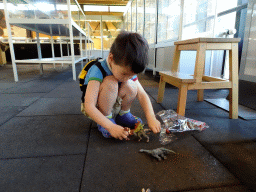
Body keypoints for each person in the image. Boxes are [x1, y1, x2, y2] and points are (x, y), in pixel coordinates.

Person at [82, 31, 161, 140]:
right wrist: (110, 127)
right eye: (124, 74)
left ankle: (123, 116)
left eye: (131, 75)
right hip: (97, 107)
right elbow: (89, 106)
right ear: (111, 58)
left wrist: (151, 117)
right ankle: (106, 120)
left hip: (114, 100)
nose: (127, 78)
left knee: (132, 85)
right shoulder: (98, 69)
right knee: (111, 82)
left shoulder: (127, 71)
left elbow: (142, 94)